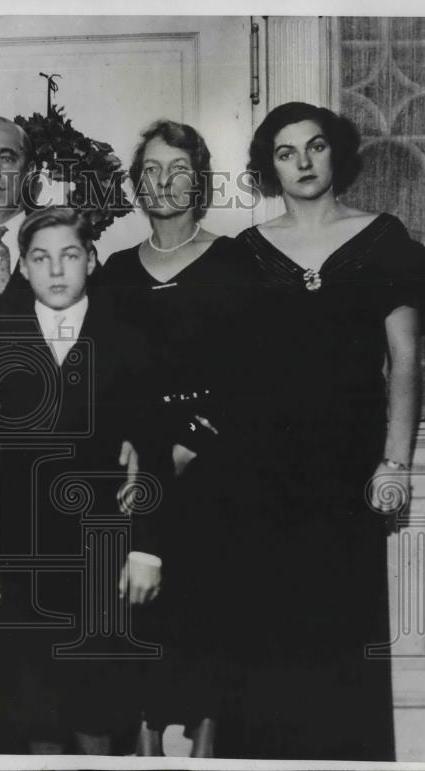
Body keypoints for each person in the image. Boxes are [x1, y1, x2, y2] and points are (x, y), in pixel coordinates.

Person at [221, 102, 425, 760]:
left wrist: (394, 464)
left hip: (349, 468)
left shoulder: (383, 239)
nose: (302, 163)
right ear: (271, 167)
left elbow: (405, 359)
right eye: (286, 153)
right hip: (261, 470)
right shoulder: (247, 253)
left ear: (335, 153)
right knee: (266, 639)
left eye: (314, 147)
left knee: (344, 635)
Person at [0, 115, 139, 753]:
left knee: (87, 704)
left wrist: (134, 444)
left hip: (79, 529)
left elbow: (129, 397)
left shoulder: (93, 286)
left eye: (7, 157)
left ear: (28, 168)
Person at [0, 206, 167, 754]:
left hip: (100, 553)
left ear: (92, 260)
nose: (56, 271)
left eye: (70, 256)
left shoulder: (128, 340)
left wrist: (146, 550)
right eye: (41, 258)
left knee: (96, 711)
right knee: (35, 714)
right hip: (18, 555)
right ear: (22, 267)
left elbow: (152, 452)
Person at [91, 119, 259, 757]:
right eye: (152, 171)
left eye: (178, 170)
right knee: (140, 615)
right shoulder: (114, 272)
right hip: (138, 479)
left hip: (217, 478)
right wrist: (133, 449)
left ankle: (208, 747)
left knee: (210, 619)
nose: (164, 182)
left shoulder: (236, 264)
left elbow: (253, 377)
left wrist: (196, 444)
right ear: (137, 185)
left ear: (201, 181)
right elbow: (103, 377)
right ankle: (143, 743)